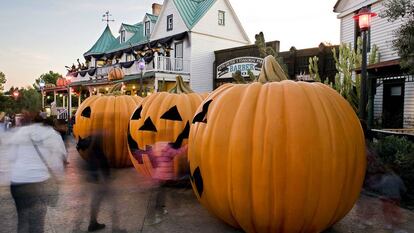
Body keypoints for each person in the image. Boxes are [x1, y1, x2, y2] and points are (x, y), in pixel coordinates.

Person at [6, 114, 67, 233]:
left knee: (22, 219)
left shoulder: (20, 132)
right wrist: (58, 179)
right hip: (38, 183)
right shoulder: (52, 134)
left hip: (17, 183)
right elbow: (58, 162)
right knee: (37, 223)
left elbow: (10, 156)